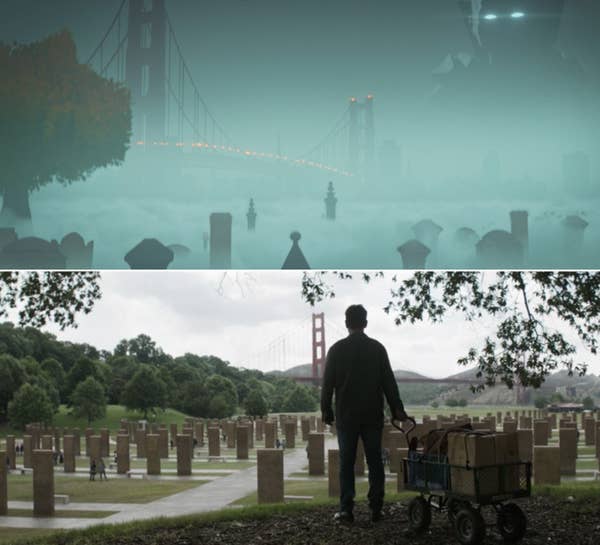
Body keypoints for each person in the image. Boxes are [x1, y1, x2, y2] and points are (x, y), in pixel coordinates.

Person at [321, 304, 408, 525]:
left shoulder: (336, 349)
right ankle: (376, 508)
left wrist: (326, 410)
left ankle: (346, 510)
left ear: (346, 323)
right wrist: (398, 409)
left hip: (346, 416)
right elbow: (389, 382)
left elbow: (327, 385)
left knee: (346, 463)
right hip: (372, 415)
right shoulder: (378, 348)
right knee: (375, 461)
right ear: (365, 323)